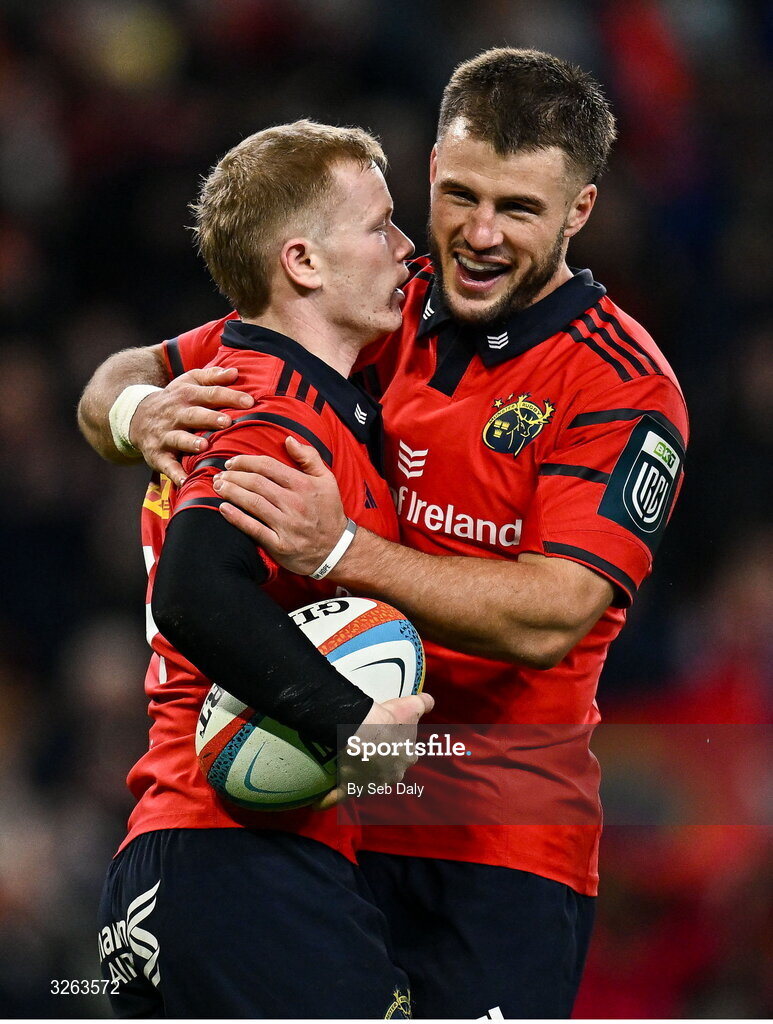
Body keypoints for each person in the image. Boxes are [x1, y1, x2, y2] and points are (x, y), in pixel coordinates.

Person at [78, 49, 689, 1019]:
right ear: (431, 168)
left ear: (577, 211)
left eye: (517, 210)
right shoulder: (368, 302)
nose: (476, 235)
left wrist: (340, 554)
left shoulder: (621, 385)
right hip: (323, 811)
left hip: (493, 847)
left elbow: (553, 615)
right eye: (456, 195)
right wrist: (136, 413)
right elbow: (122, 374)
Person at [91, 119, 434, 1019]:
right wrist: (352, 724)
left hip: (172, 869)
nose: (407, 247)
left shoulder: (236, 377)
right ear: (304, 263)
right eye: (380, 225)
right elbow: (196, 588)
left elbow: (112, 386)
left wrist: (122, 408)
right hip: (244, 868)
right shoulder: (279, 411)